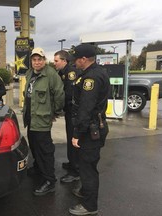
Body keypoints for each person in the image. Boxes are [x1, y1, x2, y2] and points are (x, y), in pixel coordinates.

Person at [68, 44, 110, 215]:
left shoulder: (91, 78)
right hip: (92, 127)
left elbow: (85, 109)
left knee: (88, 169)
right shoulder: (95, 72)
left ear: (83, 59)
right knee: (87, 165)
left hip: (90, 130)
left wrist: (77, 134)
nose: (74, 62)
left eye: (76, 59)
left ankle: (89, 206)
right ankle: (85, 191)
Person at [23, 47, 64, 196]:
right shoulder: (30, 73)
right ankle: (38, 168)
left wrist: (54, 112)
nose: (37, 62)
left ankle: (49, 180)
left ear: (44, 60)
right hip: (31, 118)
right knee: (33, 146)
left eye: (39, 59)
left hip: (42, 119)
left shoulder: (51, 75)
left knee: (45, 150)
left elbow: (59, 96)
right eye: (34, 60)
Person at [54, 50, 81, 184]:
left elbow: (68, 95)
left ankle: (75, 171)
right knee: (70, 138)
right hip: (69, 112)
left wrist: (57, 108)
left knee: (73, 140)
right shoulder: (62, 72)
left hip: (73, 112)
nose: (54, 63)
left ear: (64, 61)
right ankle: (72, 163)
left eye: (56, 61)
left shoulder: (70, 73)